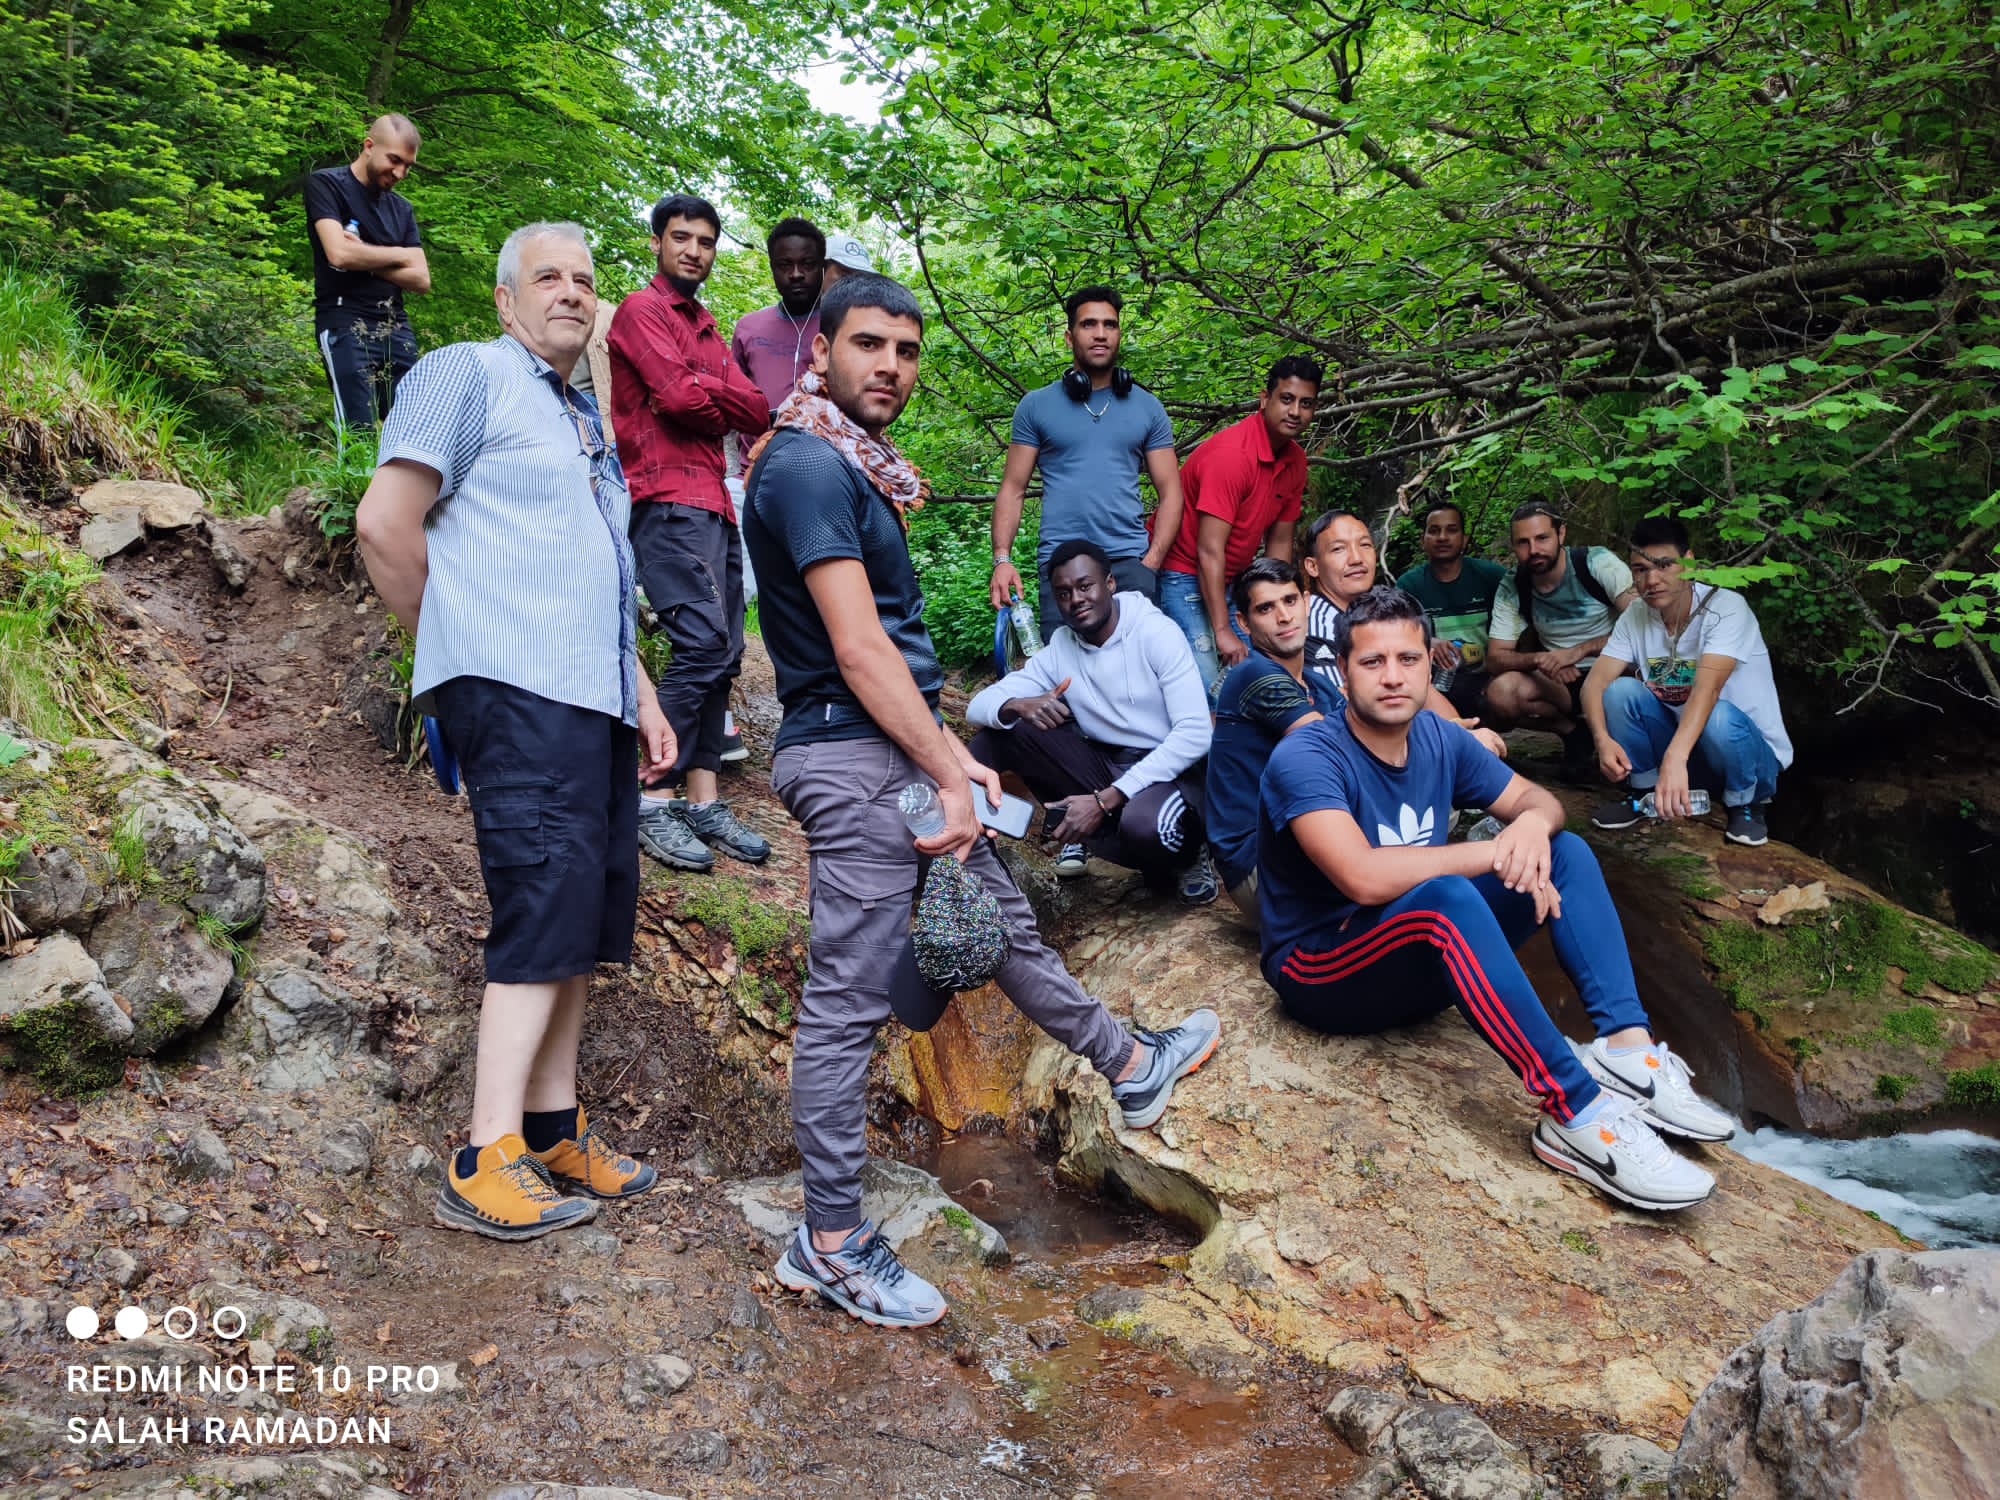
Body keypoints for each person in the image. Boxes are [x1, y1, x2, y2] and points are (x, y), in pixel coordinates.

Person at [740, 273, 1222, 1328]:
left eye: (906, 352)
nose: (890, 369)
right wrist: (944, 765)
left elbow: (883, 659)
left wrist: (946, 753)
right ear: (817, 351)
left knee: (999, 921)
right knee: (843, 1001)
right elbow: (856, 648)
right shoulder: (811, 467)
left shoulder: (846, 464)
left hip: (887, 747)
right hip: (851, 756)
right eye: (868, 345)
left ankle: (1129, 1063)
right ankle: (827, 1241)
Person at [355, 221, 676, 1241]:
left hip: (590, 695)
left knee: (579, 912)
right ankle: (483, 1153)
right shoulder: (466, 375)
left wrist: (644, 693)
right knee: (542, 901)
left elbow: (596, 574)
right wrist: (454, 653)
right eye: (548, 277)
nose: (572, 293)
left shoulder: (580, 416)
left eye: (585, 280)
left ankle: (548, 1131)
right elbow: (383, 525)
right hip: (514, 686)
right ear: (504, 299)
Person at [1256, 587, 1732, 1211]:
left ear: (1432, 664)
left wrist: (1531, 827)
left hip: (1413, 965)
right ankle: (1576, 1113)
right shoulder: (1308, 756)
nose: (1393, 677)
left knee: (1565, 853)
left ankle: (1626, 1050)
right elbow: (1363, 879)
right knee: (1447, 897)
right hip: (1323, 970)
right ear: (1342, 674)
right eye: (1372, 663)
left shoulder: (1440, 738)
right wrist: (1496, 851)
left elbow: (1543, 805)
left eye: (1408, 660)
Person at [609, 193, 773, 874]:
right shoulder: (641, 311)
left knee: (727, 649)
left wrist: (699, 387)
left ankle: (703, 801)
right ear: (656, 243)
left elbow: (757, 407)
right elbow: (677, 400)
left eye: (706, 242)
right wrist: (705, 395)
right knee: (702, 644)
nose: (695, 252)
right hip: (664, 495)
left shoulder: (706, 324)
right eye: (681, 238)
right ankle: (648, 793)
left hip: (715, 500)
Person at [966, 541, 1218, 904]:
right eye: (1064, 593)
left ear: (1110, 584)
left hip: (1170, 772)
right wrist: (1018, 705)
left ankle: (1190, 853)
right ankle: (972, 849)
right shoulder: (1061, 648)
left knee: (1144, 827)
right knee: (999, 734)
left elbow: (1195, 734)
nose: (1076, 599)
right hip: (1106, 765)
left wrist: (1104, 802)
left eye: (1086, 586)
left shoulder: (1155, 633)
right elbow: (978, 705)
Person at [1580, 517, 1792, 847]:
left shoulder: (1726, 609)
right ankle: (1645, 793)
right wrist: (1602, 740)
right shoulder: (1635, 617)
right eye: (1640, 569)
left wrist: (1674, 759)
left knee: (1717, 717)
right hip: (1686, 754)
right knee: (1620, 691)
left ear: (1688, 562)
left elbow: (1708, 690)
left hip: (1744, 753)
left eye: (1664, 565)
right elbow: (1593, 684)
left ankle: (1747, 804)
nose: (1652, 579)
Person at [989, 287, 1186, 639]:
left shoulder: (1148, 408)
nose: (1100, 333)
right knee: (1067, 682)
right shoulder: (1036, 407)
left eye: (1109, 325)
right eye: (1088, 324)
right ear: (1069, 336)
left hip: (1129, 561)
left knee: (1137, 678)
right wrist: (1002, 560)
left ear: (1119, 334)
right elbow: (1013, 488)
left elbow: (1171, 492)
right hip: (1062, 563)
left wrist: (1150, 564)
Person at [1158, 356, 1321, 692]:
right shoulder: (1232, 456)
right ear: (1265, 400)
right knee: (1206, 683)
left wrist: (1278, 603)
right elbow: (1209, 549)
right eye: (1286, 399)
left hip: (1235, 577)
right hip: (1184, 572)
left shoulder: (1295, 460)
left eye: (1306, 404)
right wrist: (1222, 629)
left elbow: (1278, 547)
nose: (1295, 412)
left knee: (1262, 665)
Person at [1301, 510, 1507, 756]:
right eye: (1338, 549)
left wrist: (1460, 733)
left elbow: (1423, 689)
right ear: (1313, 566)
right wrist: (1448, 735)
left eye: (1365, 545)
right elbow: (1349, 714)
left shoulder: (1372, 613)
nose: (1356, 558)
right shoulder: (1313, 623)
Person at [1206, 558, 1341, 925]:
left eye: (1290, 600)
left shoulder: (1318, 684)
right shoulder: (1253, 674)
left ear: (1307, 602)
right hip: (1260, 867)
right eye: (1266, 608)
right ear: (1244, 623)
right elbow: (1333, 746)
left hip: (1299, 850)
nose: (1284, 616)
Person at [1484, 503, 1638, 777]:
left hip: (1613, 670)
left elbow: (1644, 625)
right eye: (1523, 542)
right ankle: (1573, 733)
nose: (1534, 550)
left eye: (1542, 538)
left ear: (1561, 534)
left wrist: (1579, 651)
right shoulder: (1514, 585)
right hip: (1559, 680)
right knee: (1501, 693)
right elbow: (1496, 657)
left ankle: (1631, 750)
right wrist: (1541, 660)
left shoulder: (1596, 563)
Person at [305, 114, 430, 430]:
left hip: (396, 327)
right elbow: (339, 253)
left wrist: (364, 254)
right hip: (344, 323)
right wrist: (400, 256)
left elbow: (421, 279)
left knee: (412, 429)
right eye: (394, 160)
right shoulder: (327, 185)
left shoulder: (401, 209)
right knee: (357, 430)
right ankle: (353, 482)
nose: (400, 172)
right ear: (369, 146)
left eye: (408, 166)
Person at [1395, 501, 1508, 721]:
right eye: (1434, 531)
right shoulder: (1409, 585)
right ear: (1423, 541)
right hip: (1438, 682)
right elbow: (1397, 635)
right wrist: (1429, 642)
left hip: (1490, 677)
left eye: (1452, 530)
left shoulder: (1492, 577)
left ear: (1464, 539)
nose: (1443, 537)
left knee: (1510, 693)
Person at [730, 218, 826, 411]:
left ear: (822, 267)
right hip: (759, 441)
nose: (796, 274)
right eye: (785, 265)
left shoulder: (841, 326)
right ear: (773, 268)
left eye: (807, 264)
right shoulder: (748, 328)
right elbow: (733, 399)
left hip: (826, 440)